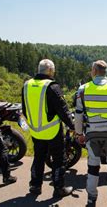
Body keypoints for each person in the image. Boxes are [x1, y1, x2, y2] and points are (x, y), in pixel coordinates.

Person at [75, 60, 107, 207]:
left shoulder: (83, 89)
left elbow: (78, 114)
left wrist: (79, 133)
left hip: (92, 133)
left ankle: (91, 199)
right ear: (106, 72)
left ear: (94, 71)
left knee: (93, 167)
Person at [22, 59, 75, 198]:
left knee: (38, 157)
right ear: (51, 71)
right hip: (52, 131)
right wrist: (74, 126)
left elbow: (24, 108)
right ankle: (59, 188)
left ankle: (35, 186)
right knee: (59, 159)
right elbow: (63, 110)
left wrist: (32, 123)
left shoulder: (27, 85)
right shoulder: (51, 86)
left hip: (35, 130)